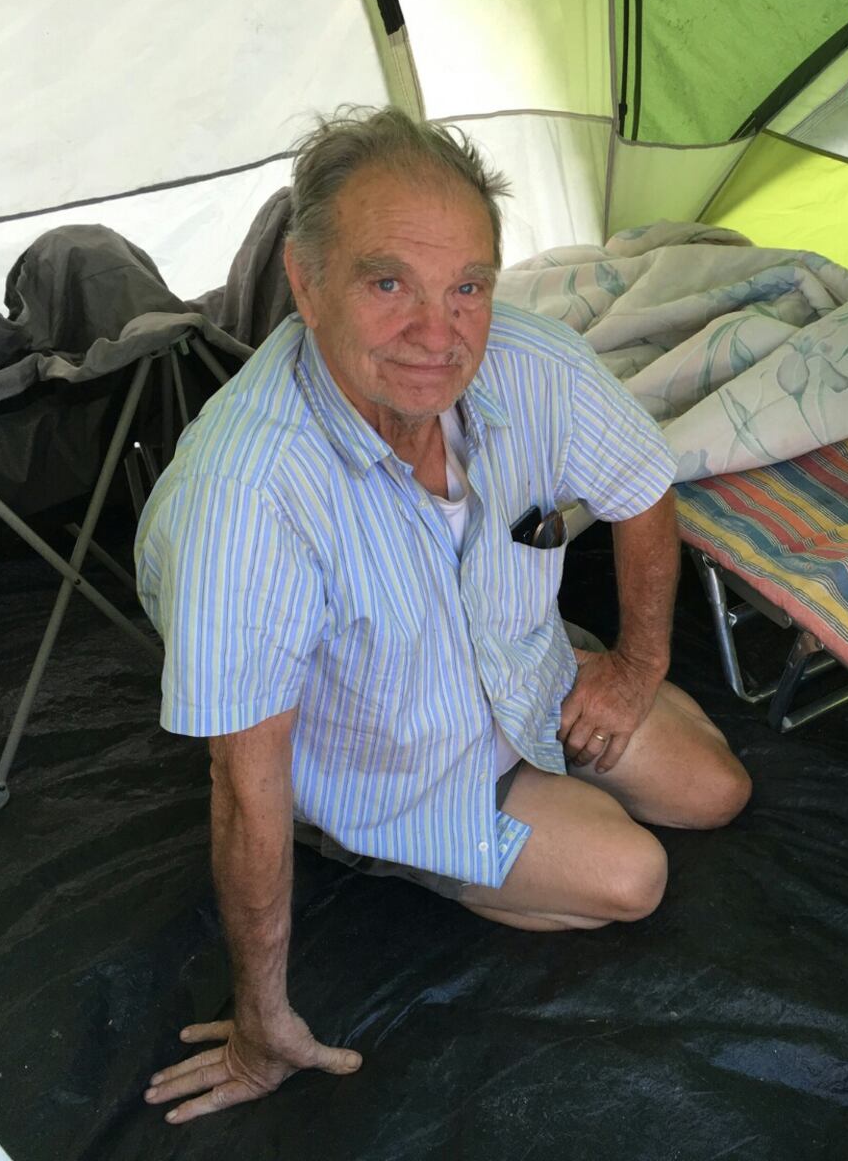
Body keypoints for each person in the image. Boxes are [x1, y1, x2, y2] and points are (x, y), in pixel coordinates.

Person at [134, 108, 751, 1125]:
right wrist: (260, 1020)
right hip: (397, 762)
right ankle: (378, 846)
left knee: (715, 794)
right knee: (630, 876)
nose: (438, 333)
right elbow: (245, 786)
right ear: (305, 279)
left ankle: (569, 705)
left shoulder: (526, 361)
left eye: (467, 286)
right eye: (389, 285)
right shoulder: (246, 498)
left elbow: (643, 487)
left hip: (522, 672)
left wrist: (636, 665)